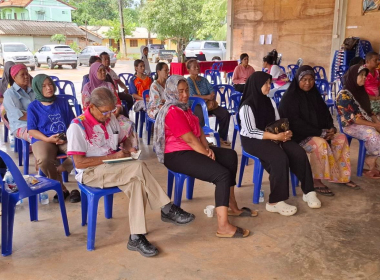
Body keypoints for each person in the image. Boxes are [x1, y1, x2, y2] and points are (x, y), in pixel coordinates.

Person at [67, 87, 195, 257]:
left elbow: (123, 138)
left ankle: (136, 236)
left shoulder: (110, 119)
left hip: (114, 168)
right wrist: (112, 158)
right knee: (138, 167)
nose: (108, 115)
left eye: (111, 110)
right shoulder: (78, 126)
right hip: (91, 172)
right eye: (105, 112)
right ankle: (166, 207)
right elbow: (79, 163)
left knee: (136, 183)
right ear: (91, 106)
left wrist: (128, 147)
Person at [154, 75, 252, 238]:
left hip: (192, 149)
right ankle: (223, 226)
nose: (185, 95)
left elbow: (197, 132)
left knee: (230, 156)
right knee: (222, 175)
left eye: (186, 90)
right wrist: (205, 153)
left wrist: (207, 147)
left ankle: (231, 205)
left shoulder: (185, 108)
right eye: (180, 92)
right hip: (176, 155)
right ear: (171, 92)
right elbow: (190, 139)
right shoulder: (172, 111)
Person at [239, 72, 320, 215]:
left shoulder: (269, 101)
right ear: (257, 85)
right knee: (278, 157)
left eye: (270, 83)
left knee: (297, 151)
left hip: (273, 135)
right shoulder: (246, 106)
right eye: (266, 84)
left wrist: (285, 132)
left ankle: (309, 191)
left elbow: (277, 122)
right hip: (253, 140)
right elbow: (250, 131)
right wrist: (276, 136)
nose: (269, 86)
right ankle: (275, 201)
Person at [279, 65, 357, 195]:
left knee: (340, 138)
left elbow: (326, 115)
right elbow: (295, 124)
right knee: (319, 144)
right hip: (299, 137)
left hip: (320, 132)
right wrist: (320, 133)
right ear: (298, 79)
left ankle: (340, 176)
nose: (308, 83)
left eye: (311, 79)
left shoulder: (315, 95)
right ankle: (316, 180)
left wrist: (331, 128)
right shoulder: (290, 98)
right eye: (304, 79)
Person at [27, 74, 79, 203]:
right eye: (44, 86)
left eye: (50, 84)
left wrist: (66, 136)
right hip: (43, 139)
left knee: (79, 151)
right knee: (44, 160)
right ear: (38, 88)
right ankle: (61, 188)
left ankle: (59, 170)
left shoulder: (62, 102)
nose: (49, 88)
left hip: (63, 136)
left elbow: (72, 122)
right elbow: (31, 130)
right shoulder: (33, 106)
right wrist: (48, 139)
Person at [337, 64, 380, 179]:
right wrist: (375, 125)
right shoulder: (344, 95)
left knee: (377, 130)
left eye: (365, 75)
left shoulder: (361, 91)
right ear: (353, 76)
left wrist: (377, 122)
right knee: (374, 136)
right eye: (361, 75)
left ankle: (372, 158)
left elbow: (370, 112)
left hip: (365, 121)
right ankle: (369, 159)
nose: (364, 77)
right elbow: (354, 119)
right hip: (351, 125)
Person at [82, 62, 138, 150]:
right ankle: (111, 151)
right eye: (100, 71)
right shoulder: (87, 88)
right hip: (94, 119)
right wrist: (102, 116)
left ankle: (130, 151)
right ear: (93, 73)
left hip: (112, 116)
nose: (103, 72)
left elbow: (118, 104)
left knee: (129, 124)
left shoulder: (109, 85)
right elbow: (86, 108)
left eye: (104, 70)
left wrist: (113, 115)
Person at [186, 59, 231, 145]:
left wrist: (212, 96)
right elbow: (193, 95)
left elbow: (211, 89)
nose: (197, 68)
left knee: (225, 114)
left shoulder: (203, 80)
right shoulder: (189, 81)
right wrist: (207, 97)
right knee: (200, 116)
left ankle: (221, 137)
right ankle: (201, 140)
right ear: (189, 70)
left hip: (209, 104)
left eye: (198, 66)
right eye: (194, 67)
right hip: (197, 104)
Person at [3, 64, 35, 142]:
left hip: (37, 123)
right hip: (21, 126)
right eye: (22, 75)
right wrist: (41, 117)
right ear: (14, 78)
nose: (26, 76)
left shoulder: (33, 91)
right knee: (39, 138)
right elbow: (20, 115)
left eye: (27, 73)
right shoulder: (10, 94)